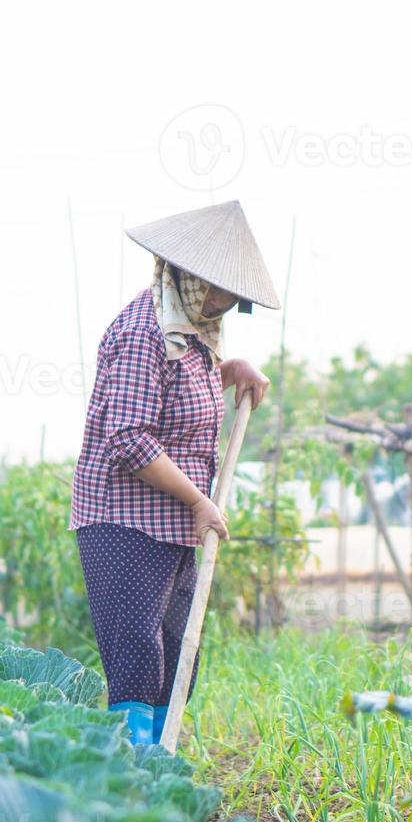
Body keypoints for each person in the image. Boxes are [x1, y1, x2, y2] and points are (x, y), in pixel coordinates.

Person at [70, 201, 280, 745]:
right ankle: (133, 775)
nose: (218, 305)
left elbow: (183, 392)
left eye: (229, 299)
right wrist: (197, 502)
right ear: (185, 277)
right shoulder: (144, 331)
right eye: (211, 292)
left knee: (178, 646)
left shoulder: (194, 335)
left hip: (172, 527)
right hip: (123, 523)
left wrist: (232, 369)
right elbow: (128, 440)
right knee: (138, 652)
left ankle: (163, 765)